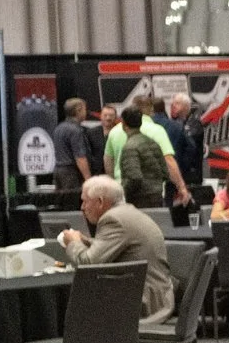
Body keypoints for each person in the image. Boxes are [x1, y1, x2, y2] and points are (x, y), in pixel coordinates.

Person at [60, 175, 174, 321]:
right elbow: (116, 247)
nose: (82, 207)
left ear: (100, 202)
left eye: (85, 201)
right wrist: (85, 241)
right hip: (157, 297)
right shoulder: (127, 212)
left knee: (74, 304)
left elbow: (88, 264)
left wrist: (73, 243)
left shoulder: (112, 219)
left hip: (143, 304)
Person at [103, 101, 191, 213]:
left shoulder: (117, 134)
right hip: (154, 194)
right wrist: (180, 187)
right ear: (151, 111)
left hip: (129, 195)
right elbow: (167, 164)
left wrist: (116, 187)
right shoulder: (156, 134)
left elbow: (109, 162)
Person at [114, 107, 167, 211]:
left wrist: (123, 191)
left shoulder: (130, 147)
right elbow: (165, 172)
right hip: (157, 196)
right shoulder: (153, 142)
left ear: (123, 124)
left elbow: (134, 178)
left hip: (140, 200)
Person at [162, 93, 205, 216]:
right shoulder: (171, 124)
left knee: (189, 216)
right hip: (172, 178)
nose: (173, 105)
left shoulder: (194, 124)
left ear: (186, 107)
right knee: (169, 215)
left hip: (189, 179)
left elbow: (187, 149)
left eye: (177, 103)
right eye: (172, 103)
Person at [52, 98, 96, 194]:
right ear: (78, 110)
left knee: (61, 201)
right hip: (71, 174)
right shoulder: (75, 130)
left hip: (58, 171)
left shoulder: (59, 128)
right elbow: (80, 157)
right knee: (73, 200)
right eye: (85, 109)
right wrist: (88, 179)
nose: (86, 112)